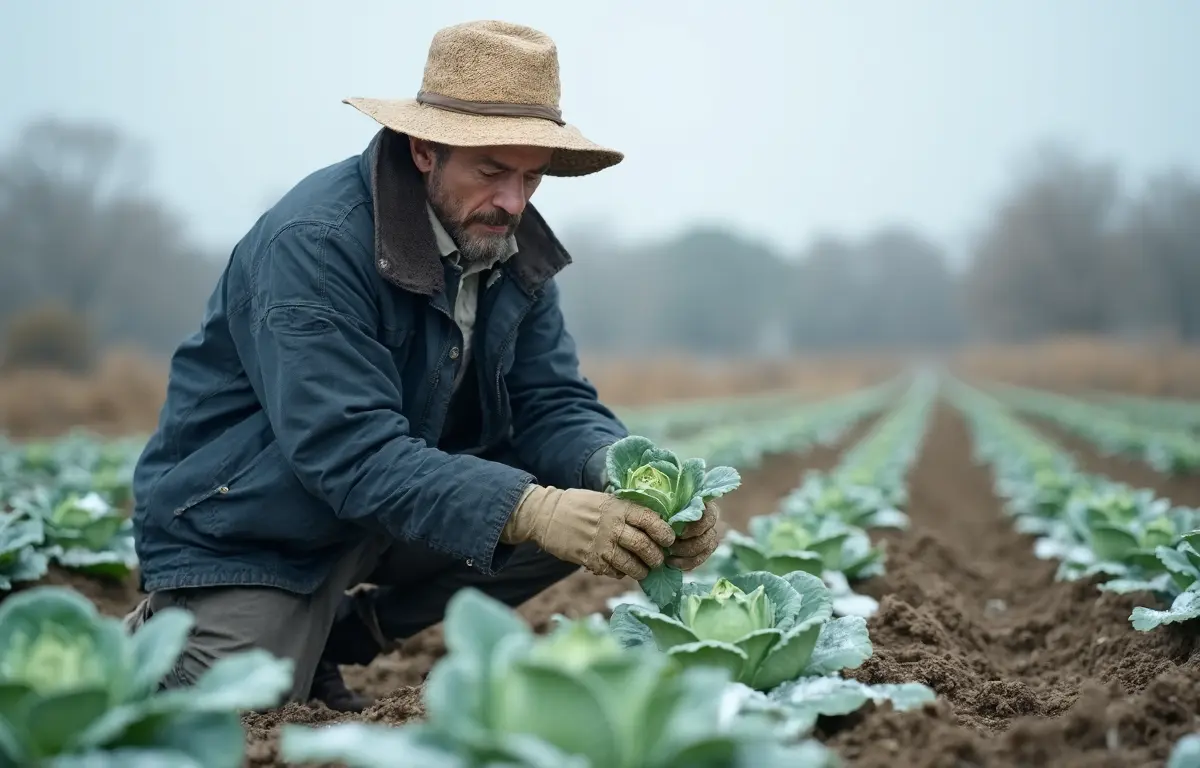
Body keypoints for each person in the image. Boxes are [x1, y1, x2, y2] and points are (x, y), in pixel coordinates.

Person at [121, 19, 721, 712]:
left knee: (589, 514)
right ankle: (139, 649)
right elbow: (347, 450)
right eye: (492, 171)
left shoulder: (509, 245)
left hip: (381, 511)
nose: (513, 201)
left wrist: (641, 482)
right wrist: (530, 509)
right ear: (424, 150)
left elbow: (552, 402)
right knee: (224, 704)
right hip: (253, 521)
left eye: (530, 177)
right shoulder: (315, 245)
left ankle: (333, 639)